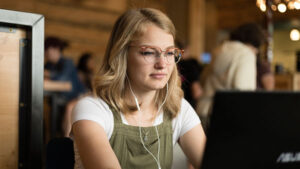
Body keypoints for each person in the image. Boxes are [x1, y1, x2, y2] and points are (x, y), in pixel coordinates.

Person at [71, 8, 206, 169]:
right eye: (149, 52)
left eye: (170, 53)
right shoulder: (93, 109)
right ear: (122, 54)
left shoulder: (178, 108)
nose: (162, 64)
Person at [197, 23, 266, 131]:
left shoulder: (218, 49)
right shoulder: (246, 54)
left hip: (204, 110)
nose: (257, 51)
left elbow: (202, 80)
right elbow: (244, 92)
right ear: (254, 43)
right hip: (227, 115)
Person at [44, 37, 86, 102]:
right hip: (62, 97)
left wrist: (48, 74)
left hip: (78, 96)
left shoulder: (67, 62)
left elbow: (62, 79)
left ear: (57, 49)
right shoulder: (48, 65)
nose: (45, 53)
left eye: (47, 50)